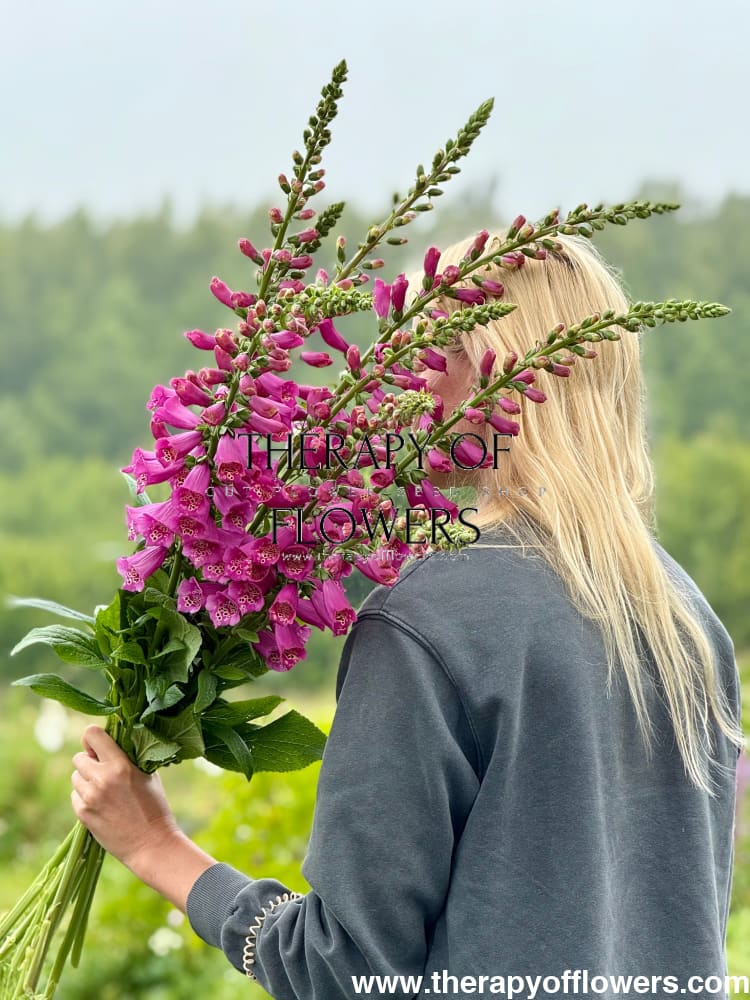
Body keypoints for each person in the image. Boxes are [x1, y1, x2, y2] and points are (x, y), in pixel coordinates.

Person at [71, 230, 745, 1000]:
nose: (407, 376)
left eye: (435, 347)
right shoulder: (685, 618)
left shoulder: (430, 622)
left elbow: (347, 969)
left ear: (494, 369)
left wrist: (156, 846)